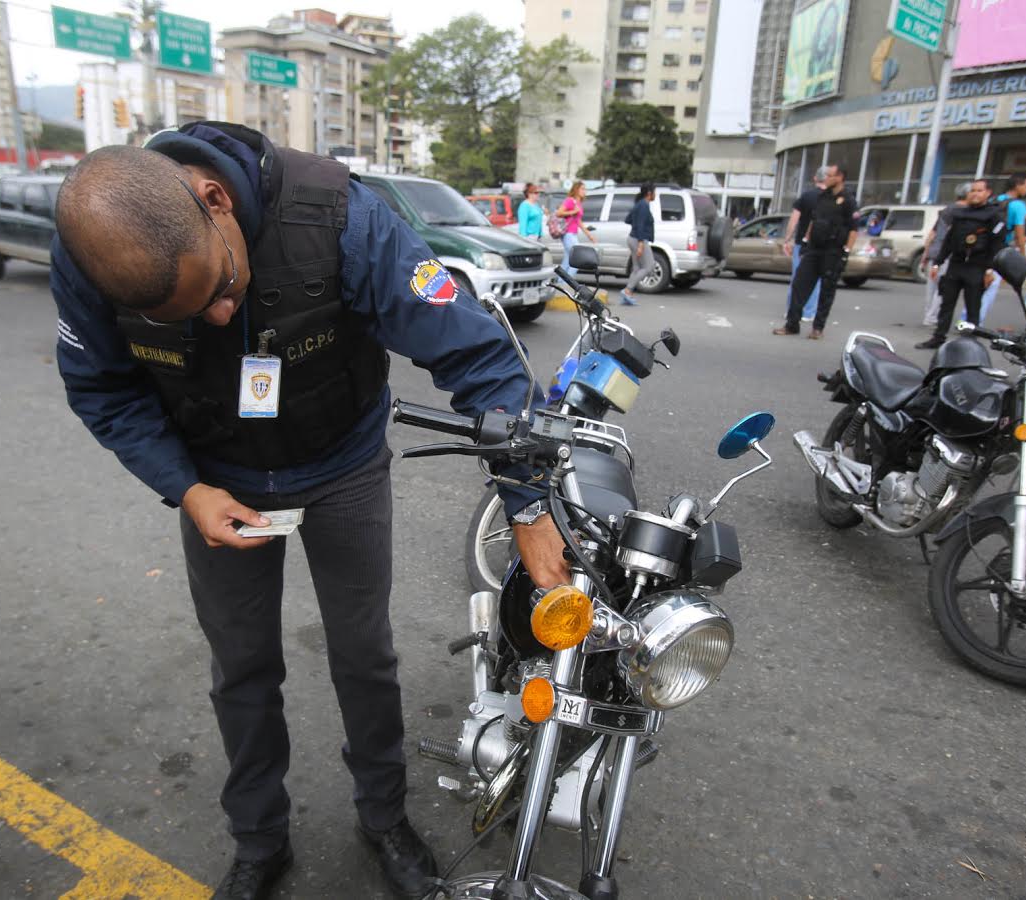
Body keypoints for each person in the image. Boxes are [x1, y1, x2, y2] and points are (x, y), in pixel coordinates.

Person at [49, 122, 572, 900]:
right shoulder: (96, 252)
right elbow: (102, 390)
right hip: (216, 479)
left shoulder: (341, 219)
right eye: (188, 315)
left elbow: (478, 355)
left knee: (364, 654)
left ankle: (384, 818)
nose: (220, 318)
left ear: (216, 200)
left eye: (221, 288)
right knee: (243, 669)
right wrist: (186, 488)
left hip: (344, 465)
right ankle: (260, 840)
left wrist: (529, 510)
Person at [915, 179, 1005, 350]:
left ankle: (971, 343)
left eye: (979, 190)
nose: (975, 194)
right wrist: (937, 263)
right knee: (946, 304)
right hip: (956, 264)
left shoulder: (993, 216)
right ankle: (938, 337)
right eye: (972, 191)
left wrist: (990, 269)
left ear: (987, 193)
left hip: (977, 266)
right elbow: (949, 241)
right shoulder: (960, 213)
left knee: (973, 307)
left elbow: (997, 244)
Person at [773, 162, 857, 340]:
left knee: (826, 291)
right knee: (799, 285)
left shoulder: (848, 200)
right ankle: (792, 324)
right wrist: (805, 240)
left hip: (833, 251)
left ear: (839, 177)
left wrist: (846, 253)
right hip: (814, 249)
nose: (825, 178)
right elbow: (813, 220)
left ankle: (817, 328)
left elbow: (853, 230)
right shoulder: (822, 197)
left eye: (829, 175)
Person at [977, 173, 1026, 323]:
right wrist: (1023, 255)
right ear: (1018, 185)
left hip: (983, 246)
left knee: (979, 286)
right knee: (990, 287)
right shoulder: (1018, 205)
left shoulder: (995, 200)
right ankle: (975, 322)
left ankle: (967, 318)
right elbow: (1020, 234)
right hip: (999, 249)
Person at [920, 182, 972, 326]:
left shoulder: (946, 210)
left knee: (931, 287)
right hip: (947, 255)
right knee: (944, 288)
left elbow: (932, 234)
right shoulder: (965, 213)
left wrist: (926, 253)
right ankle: (932, 316)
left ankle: (928, 315)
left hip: (934, 253)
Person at [781, 167, 827, 322]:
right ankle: (808, 312)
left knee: (798, 278)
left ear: (815, 179)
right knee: (817, 280)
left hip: (802, 244)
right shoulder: (831, 199)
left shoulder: (806, 197)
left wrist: (787, 239)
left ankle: (792, 311)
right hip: (822, 245)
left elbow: (794, 220)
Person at [621, 182, 655, 306]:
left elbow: (628, 219)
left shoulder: (639, 204)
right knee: (649, 266)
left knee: (636, 268)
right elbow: (639, 224)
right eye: (654, 192)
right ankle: (628, 290)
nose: (655, 194)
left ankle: (627, 295)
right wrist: (641, 243)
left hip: (632, 238)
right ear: (650, 193)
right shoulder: (644, 205)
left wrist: (636, 225)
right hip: (638, 239)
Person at [555, 180, 596, 277]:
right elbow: (559, 213)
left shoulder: (578, 203)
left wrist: (588, 234)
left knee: (567, 260)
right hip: (567, 234)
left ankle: (559, 283)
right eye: (582, 189)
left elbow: (578, 221)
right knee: (577, 259)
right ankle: (567, 283)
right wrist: (573, 211)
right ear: (576, 189)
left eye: (585, 189)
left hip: (573, 233)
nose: (584, 191)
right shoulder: (570, 200)